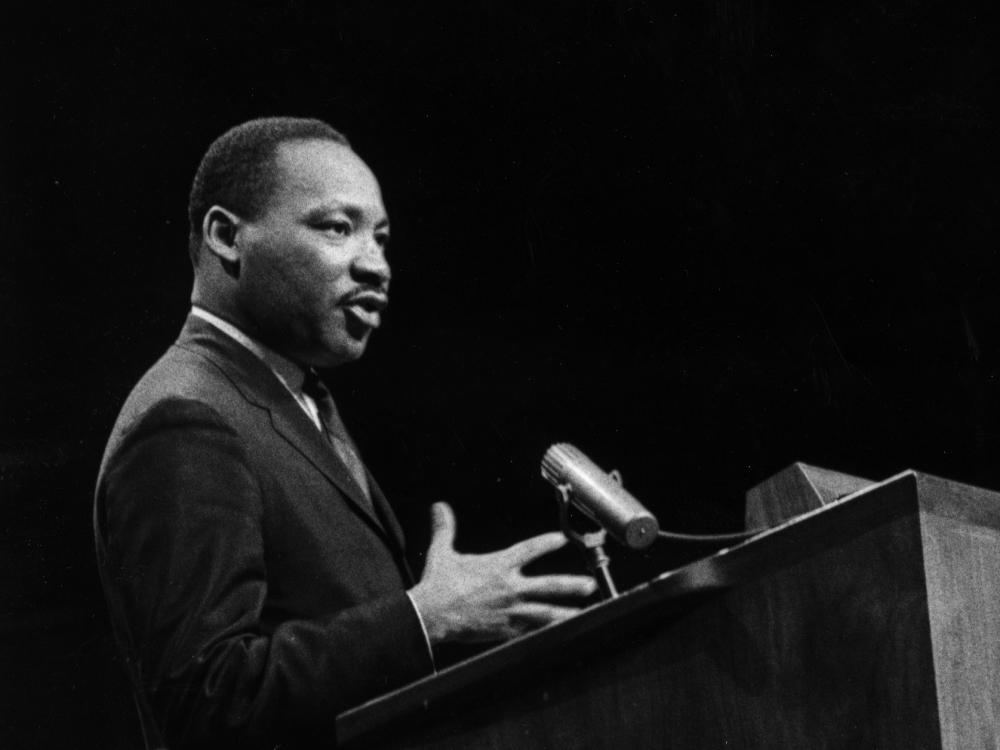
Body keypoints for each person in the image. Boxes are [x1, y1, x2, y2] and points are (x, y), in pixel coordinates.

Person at [93, 117, 596, 749]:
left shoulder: (297, 397)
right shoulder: (187, 419)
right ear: (226, 236)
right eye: (338, 228)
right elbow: (208, 700)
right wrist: (423, 619)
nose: (375, 266)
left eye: (382, 240)